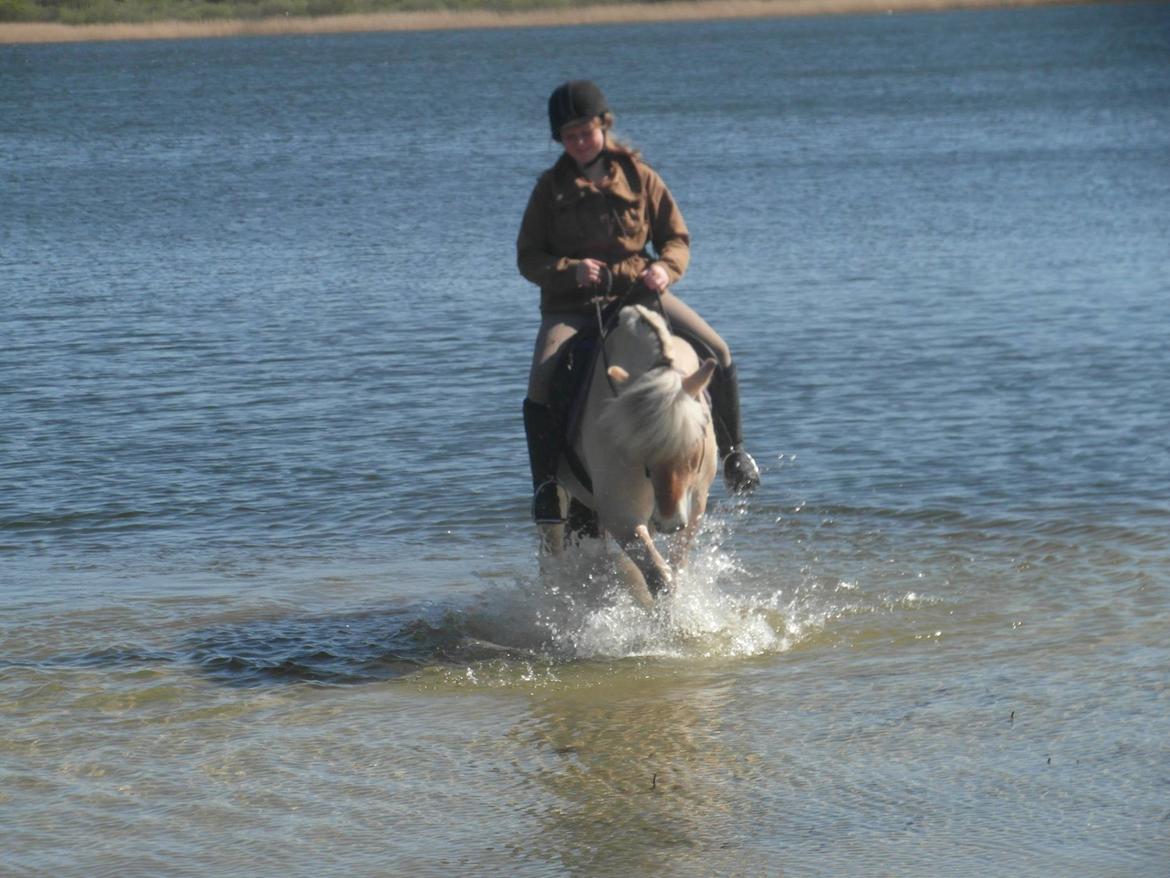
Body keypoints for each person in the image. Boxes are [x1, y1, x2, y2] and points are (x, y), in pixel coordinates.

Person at [517, 80, 760, 524]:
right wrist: (568, 269)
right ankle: (548, 488)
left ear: (603, 126)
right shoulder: (548, 190)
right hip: (572, 306)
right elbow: (529, 258)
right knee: (542, 377)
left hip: (641, 295)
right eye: (569, 137)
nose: (579, 142)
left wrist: (665, 268)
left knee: (719, 350)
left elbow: (677, 239)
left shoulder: (641, 177)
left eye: (585, 132)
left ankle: (734, 456)